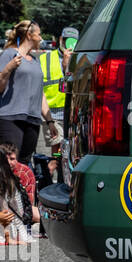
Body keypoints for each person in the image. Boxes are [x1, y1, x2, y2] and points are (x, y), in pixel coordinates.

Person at [0, 20, 57, 160]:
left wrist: (50, 121)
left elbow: (40, 93)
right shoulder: (9, 54)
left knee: (24, 164)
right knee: (10, 162)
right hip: (10, 117)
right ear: (29, 35)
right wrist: (8, 68)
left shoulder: (35, 60)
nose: (41, 38)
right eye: (39, 34)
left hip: (32, 119)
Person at [40, 25, 77, 180]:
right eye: (66, 39)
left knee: (68, 150)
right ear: (61, 39)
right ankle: (50, 172)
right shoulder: (46, 58)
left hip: (72, 112)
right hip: (52, 112)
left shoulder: (80, 59)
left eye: (73, 40)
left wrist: (68, 66)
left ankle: (58, 175)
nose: (68, 43)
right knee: (57, 147)